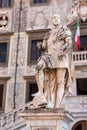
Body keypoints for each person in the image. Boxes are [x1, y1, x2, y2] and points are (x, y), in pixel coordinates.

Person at [32, 14, 73, 108]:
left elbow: (69, 42)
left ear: (60, 20)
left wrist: (62, 50)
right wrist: (40, 46)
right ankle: (41, 93)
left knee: (60, 82)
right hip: (49, 57)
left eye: (57, 18)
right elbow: (43, 46)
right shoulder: (48, 34)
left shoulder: (64, 31)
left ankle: (57, 106)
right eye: (54, 18)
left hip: (60, 57)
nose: (56, 19)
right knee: (39, 66)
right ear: (51, 20)